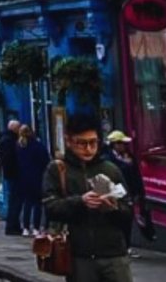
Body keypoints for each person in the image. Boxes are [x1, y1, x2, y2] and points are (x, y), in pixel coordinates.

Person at [43, 114, 133, 282]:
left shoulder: (111, 169)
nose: (89, 149)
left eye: (93, 142)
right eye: (82, 143)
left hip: (114, 255)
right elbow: (50, 207)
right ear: (68, 141)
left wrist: (114, 208)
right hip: (79, 256)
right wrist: (80, 201)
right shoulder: (58, 169)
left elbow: (128, 212)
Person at [105, 131, 150, 256]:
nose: (124, 146)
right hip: (114, 194)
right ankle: (117, 246)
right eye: (121, 143)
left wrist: (139, 193)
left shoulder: (129, 157)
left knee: (127, 220)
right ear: (114, 145)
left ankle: (126, 246)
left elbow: (136, 176)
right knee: (115, 221)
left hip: (128, 194)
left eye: (125, 143)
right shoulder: (108, 159)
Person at [15, 125, 52, 236]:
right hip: (37, 178)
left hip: (23, 178)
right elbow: (46, 161)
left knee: (27, 203)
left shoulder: (19, 146)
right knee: (37, 204)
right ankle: (36, 227)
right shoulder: (38, 146)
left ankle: (25, 228)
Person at [0, 119, 23, 235]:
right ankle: (12, 226)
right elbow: (10, 159)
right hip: (14, 175)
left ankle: (14, 225)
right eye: (18, 128)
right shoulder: (10, 141)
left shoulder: (5, 139)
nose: (19, 130)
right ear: (14, 129)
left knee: (14, 201)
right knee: (15, 202)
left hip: (10, 174)